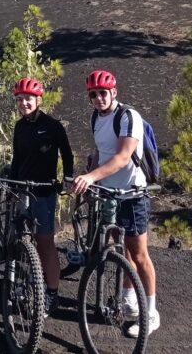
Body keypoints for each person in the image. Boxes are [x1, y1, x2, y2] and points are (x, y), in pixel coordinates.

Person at [70, 69, 159, 337]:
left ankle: (151, 314)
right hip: (108, 193)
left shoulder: (128, 117)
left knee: (139, 253)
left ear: (114, 92)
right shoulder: (96, 116)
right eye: (93, 94)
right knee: (119, 249)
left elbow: (122, 157)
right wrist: (92, 184)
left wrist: (90, 176)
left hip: (132, 194)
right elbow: (101, 152)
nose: (98, 98)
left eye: (102, 93)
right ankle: (129, 299)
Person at [9, 77, 74, 316]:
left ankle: (52, 293)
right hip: (23, 188)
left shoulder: (52, 125)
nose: (24, 103)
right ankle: (21, 281)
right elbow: (17, 158)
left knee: (45, 242)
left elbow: (67, 153)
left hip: (44, 191)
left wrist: (67, 177)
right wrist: (12, 184)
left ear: (38, 100)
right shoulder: (20, 126)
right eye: (19, 99)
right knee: (20, 236)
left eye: (28, 99)